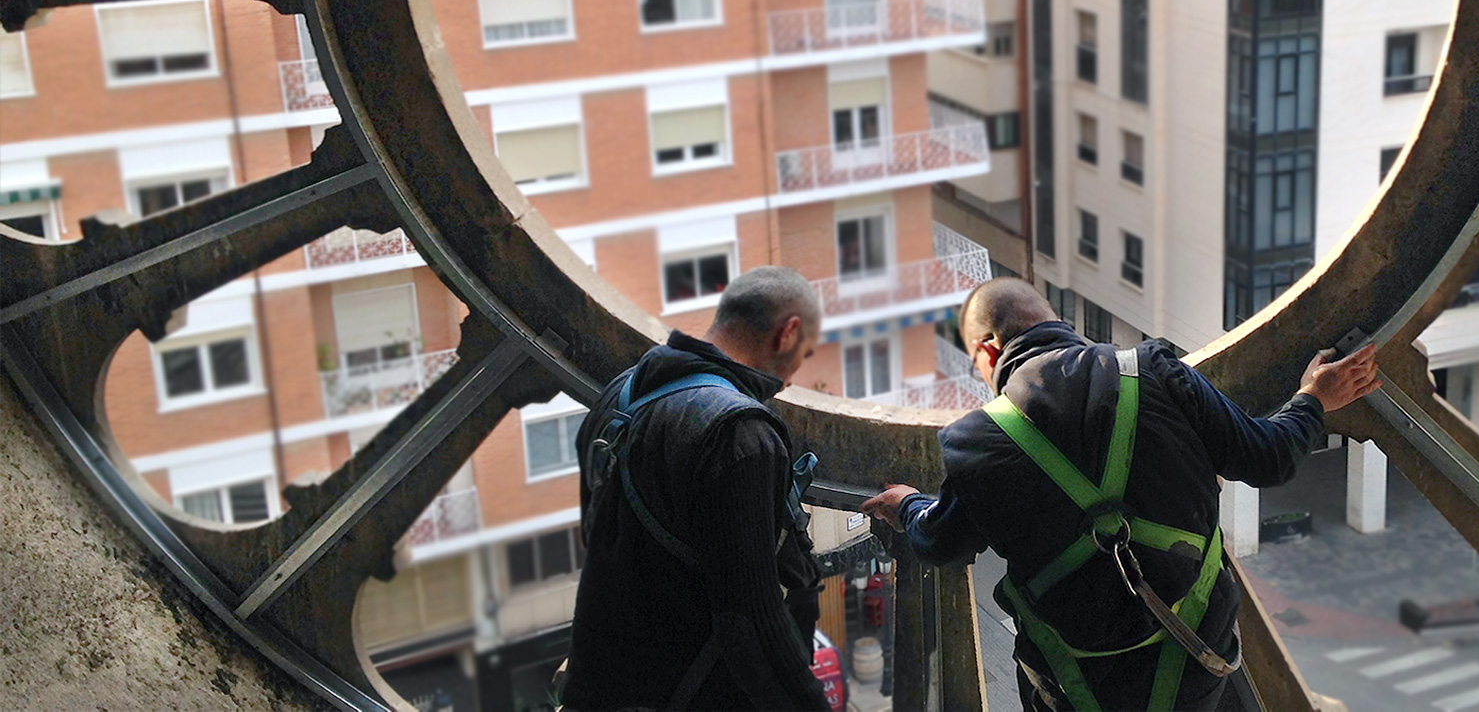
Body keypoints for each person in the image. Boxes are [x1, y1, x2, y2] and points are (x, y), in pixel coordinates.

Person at [862, 278, 1381, 711]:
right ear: (1060, 327)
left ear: (988, 350)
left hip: (1079, 687)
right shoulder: (1151, 369)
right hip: (1194, 663)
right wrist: (1314, 399)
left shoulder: (974, 442)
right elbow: (1270, 456)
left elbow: (938, 542)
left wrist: (906, 503)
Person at [561, 266, 831, 711]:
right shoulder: (741, 434)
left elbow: (597, 533)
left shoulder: (623, 393)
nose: (795, 376)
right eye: (805, 352)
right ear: (788, 334)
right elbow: (749, 623)